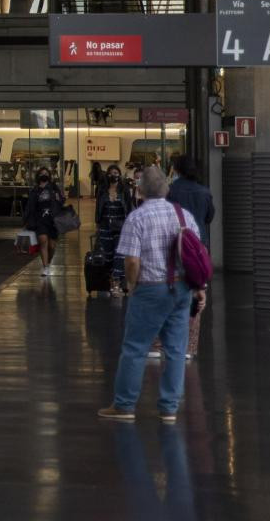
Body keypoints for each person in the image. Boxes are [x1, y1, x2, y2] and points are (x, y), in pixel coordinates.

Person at [100, 166, 201, 423]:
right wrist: (200, 288)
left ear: (140, 190)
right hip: (181, 289)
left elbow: (131, 261)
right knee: (176, 350)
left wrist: (132, 286)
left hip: (150, 288)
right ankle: (169, 408)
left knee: (135, 347)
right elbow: (196, 256)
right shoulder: (184, 216)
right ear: (166, 189)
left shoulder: (137, 217)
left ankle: (124, 406)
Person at [169, 156, 217, 358]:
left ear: (176, 170)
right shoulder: (204, 191)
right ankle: (189, 344)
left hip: (175, 244)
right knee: (196, 289)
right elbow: (209, 217)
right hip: (198, 246)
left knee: (176, 286)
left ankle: (171, 340)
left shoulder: (171, 191)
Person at [22, 167, 67, 277]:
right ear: (38, 176)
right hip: (40, 220)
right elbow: (30, 206)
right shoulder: (35, 190)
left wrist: (59, 198)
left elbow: (61, 201)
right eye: (42, 173)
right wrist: (26, 220)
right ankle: (45, 267)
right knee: (43, 241)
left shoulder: (53, 188)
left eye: (46, 173)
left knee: (51, 246)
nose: (44, 174)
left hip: (52, 220)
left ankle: (48, 263)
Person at [96, 164, 133, 295]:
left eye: (116, 172)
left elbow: (129, 207)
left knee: (119, 254)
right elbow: (98, 208)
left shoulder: (124, 190)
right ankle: (112, 279)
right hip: (105, 225)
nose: (114, 175)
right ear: (107, 175)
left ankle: (117, 283)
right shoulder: (102, 190)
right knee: (108, 256)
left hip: (121, 226)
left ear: (120, 174)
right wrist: (98, 224)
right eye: (111, 172)